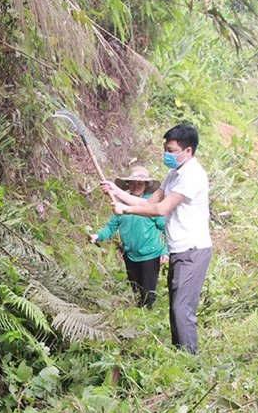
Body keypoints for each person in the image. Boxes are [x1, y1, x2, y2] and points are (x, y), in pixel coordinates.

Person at [100, 124, 212, 354]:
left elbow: (161, 209)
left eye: (171, 150)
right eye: (165, 149)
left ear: (188, 151)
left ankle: (189, 358)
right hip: (179, 250)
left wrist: (125, 210)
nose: (166, 155)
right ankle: (180, 354)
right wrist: (117, 192)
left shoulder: (192, 176)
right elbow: (149, 202)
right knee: (175, 306)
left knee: (182, 309)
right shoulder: (174, 174)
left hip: (193, 250)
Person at [89, 165, 168, 308]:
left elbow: (166, 229)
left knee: (148, 294)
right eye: (133, 183)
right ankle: (138, 318)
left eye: (140, 183)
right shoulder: (120, 205)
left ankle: (147, 320)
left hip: (150, 255)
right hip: (130, 255)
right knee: (136, 291)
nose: (136, 186)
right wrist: (98, 236)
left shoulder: (151, 206)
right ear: (128, 185)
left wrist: (165, 251)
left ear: (146, 185)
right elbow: (111, 226)